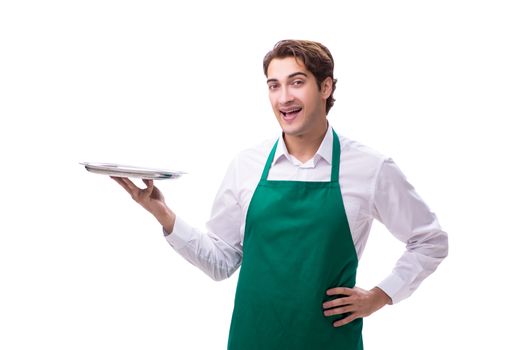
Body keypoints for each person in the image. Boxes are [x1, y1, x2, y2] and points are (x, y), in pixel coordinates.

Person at [112, 39, 448, 349]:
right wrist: (163, 213)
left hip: (328, 342)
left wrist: (380, 296)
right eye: (274, 85)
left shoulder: (370, 167)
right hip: (252, 339)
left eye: (297, 82)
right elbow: (221, 262)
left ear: (325, 87)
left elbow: (430, 240)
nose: (284, 97)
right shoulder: (247, 165)